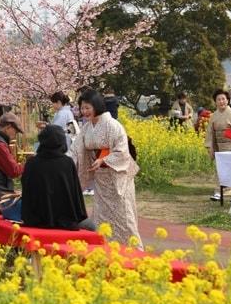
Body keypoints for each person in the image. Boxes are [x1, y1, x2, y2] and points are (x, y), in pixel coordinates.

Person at [70, 90, 143, 247]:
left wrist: (104, 159)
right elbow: (76, 149)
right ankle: (105, 247)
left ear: (96, 106)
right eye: (82, 108)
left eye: (88, 107)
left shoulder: (113, 126)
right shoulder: (87, 128)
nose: (84, 111)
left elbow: (122, 151)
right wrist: (64, 160)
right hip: (101, 178)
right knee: (102, 216)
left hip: (117, 176)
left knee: (124, 215)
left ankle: (134, 249)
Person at [21, 125, 93, 230]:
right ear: (61, 141)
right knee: (93, 228)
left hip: (36, 220)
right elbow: (75, 194)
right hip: (65, 220)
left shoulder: (31, 163)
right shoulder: (67, 163)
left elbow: (27, 192)